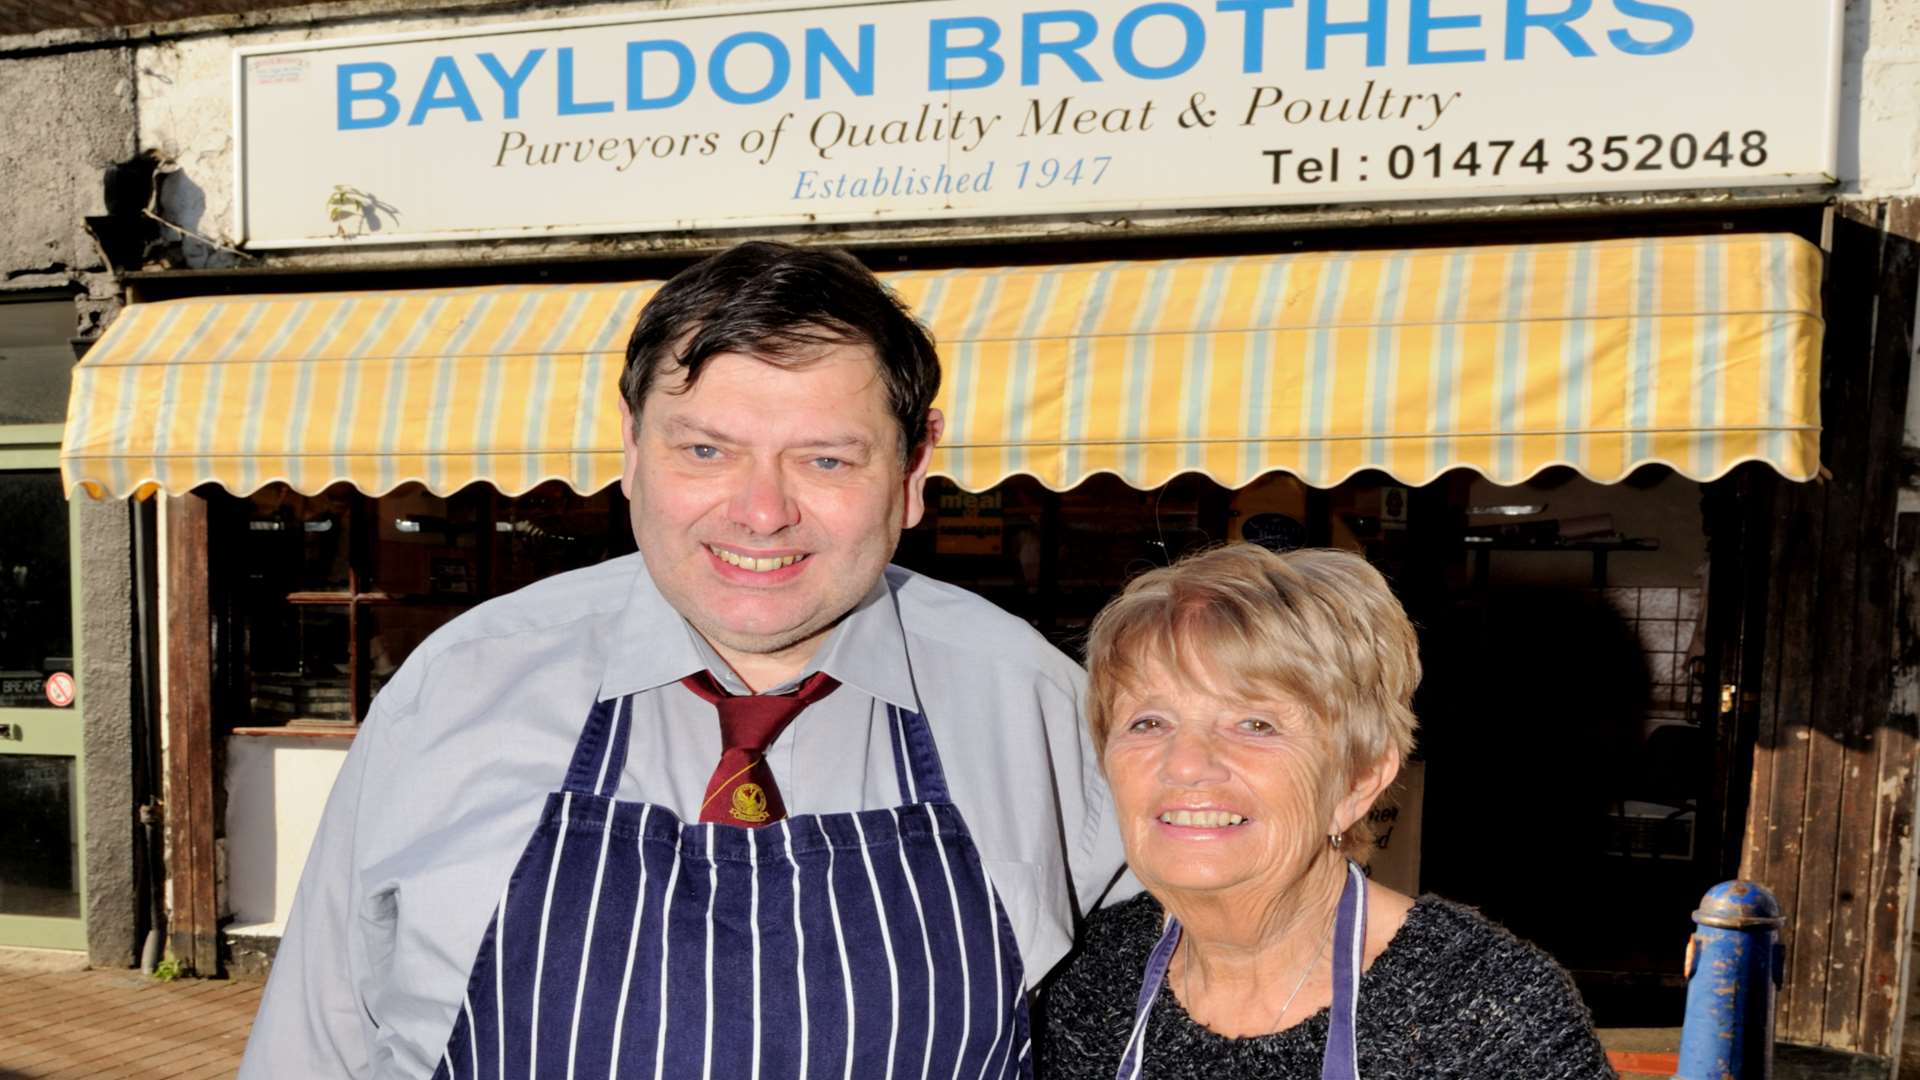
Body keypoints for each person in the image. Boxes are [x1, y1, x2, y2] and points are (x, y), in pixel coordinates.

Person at [239, 242, 1124, 1079]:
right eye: (705, 451)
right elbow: (315, 1045)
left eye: (825, 458)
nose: (762, 513)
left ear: (913, 466)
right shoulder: (458, 688)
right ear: (631, 445)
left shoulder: (1036, 705)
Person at [1040, 544, 1615, 1080]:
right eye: (1148, 722)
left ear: (1359, 779)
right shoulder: (1089, 975)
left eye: (1254, 724)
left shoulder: (1486, 1011)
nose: (1185, 765)